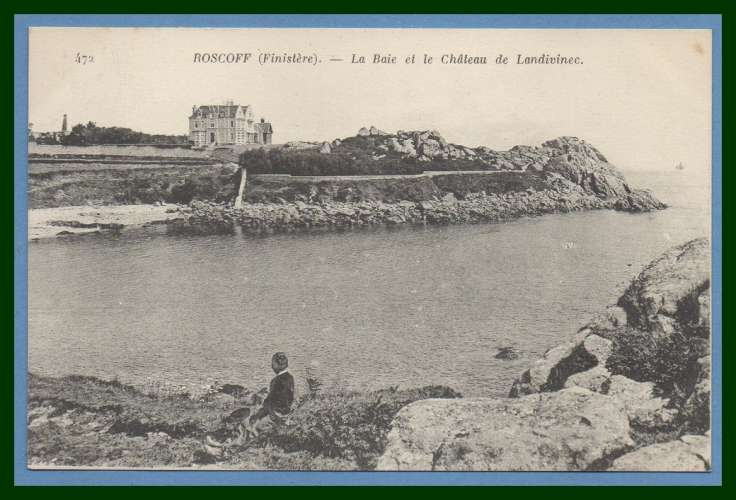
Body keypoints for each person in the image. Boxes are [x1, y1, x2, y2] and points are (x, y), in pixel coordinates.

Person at [241, 352, 295, 439]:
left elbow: (270, 402)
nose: (272, 366)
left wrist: (258, 415)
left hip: (275, 415)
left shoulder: (276, 380)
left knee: (251, 426)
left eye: (273, 364)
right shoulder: (290, 377)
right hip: (286, 413)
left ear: (278, 365)